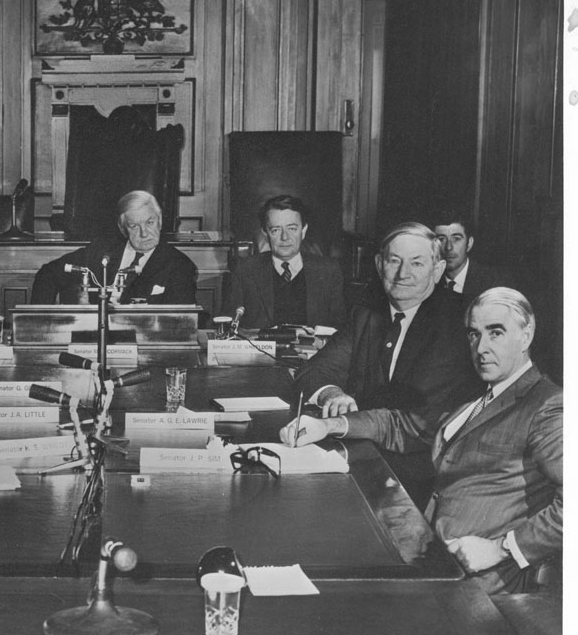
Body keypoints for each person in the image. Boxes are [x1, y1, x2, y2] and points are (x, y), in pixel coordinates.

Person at [281, 288, 561, 594]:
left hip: (482, 584)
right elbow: (405, 426)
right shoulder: (483, 394)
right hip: (433, 559)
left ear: (526, 334)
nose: (481, 347)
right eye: (473, 334)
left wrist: (501, 549)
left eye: (496, 333)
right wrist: (328, 425)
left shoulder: (547, 405)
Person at [292, 222, 483, 506]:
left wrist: (339, 422)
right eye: (395, 261)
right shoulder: (366, 314)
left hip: (426, 477)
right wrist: (333, 393)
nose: (403, 273)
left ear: (438, 269)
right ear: (380, 265)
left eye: (417, 263)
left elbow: (416, 419)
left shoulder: (458, 323)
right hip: (362, 458)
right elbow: (313, 370)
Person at [31, 190, 197, 305]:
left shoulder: (180, 266)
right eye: (134, 226)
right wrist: (40, 322)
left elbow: (177, 323)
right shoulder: (101, 251)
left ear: (160, 221)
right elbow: (49, 273)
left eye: (150, 222)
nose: (144, 233)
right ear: (123, 228)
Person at [221, 194, 346, 328]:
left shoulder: (329, 270)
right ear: (265, 233)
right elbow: (227, 325)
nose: (285, 237)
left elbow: (341, 329)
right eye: (275, 230)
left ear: (303, 231)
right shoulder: (244, 269)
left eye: (292, 229)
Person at [433, 210, 508, 305]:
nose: (448, 247)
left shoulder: (494, 282)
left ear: (469, 244)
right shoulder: (428, 280)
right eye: (441, 239)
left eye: (456, 239)